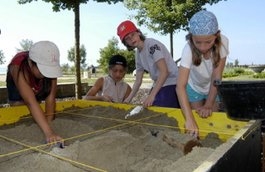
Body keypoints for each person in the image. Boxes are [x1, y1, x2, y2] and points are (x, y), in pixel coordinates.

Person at [176, 10, 229, 138]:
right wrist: (189, 119)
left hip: (213, 86)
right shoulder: (188, 49)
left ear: (216, 35)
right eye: (198, 42)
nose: (203, 47)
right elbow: (180, 86)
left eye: (208, 42)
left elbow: (216, 78)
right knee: (195, 121)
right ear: (191, 37)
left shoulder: (223, 43)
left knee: (211, 120)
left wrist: (209, 104)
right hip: (194, 87)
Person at [6, 41, 64, 145]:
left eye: (49, 71)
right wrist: (49, 133)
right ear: (30, 62)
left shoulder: (49, 68)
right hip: (17, 78)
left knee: (38, 103)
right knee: (18, 104)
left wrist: (49, 127)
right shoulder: (17, 66)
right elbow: (30, 101)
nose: (46, 74)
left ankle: (42, 121)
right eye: (43, 71)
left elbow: (50, 99)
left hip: (33, 80)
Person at [116, 20, 180, 108]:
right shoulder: (138, 54)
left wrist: (151, 96)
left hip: (172, 81)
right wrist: (128, 99)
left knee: (158, 108)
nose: (131, 39)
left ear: (138, 33)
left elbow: (165, 72)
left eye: (133, 34)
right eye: (127, 38)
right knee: (148, 106)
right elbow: (138, 81)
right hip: (159, 83)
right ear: (126, 43)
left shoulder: (151, 44)